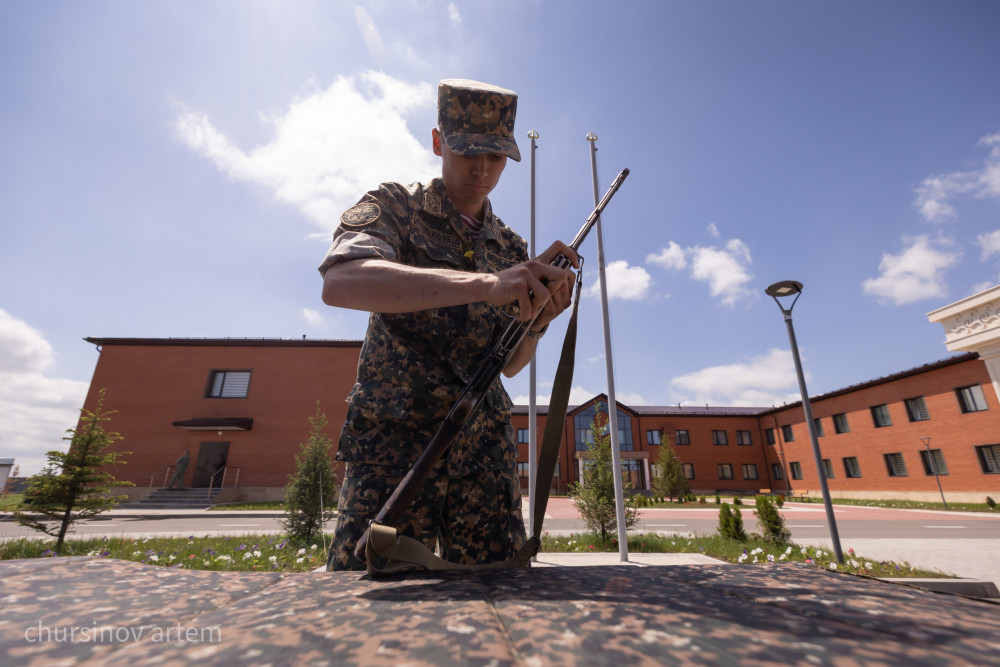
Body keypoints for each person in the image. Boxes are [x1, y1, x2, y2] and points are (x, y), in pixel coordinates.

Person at [319, 79, 579, 571]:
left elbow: (510, 367)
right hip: (394, 445)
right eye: (468, 152)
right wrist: (484, 284)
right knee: (370, 599)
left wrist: (540, 320)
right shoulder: (396, 206)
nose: (482, 169)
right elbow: (342, 281)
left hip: (482, 453)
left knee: (499, 595)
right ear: (439, 142)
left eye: (497, 157)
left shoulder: (509, 246)